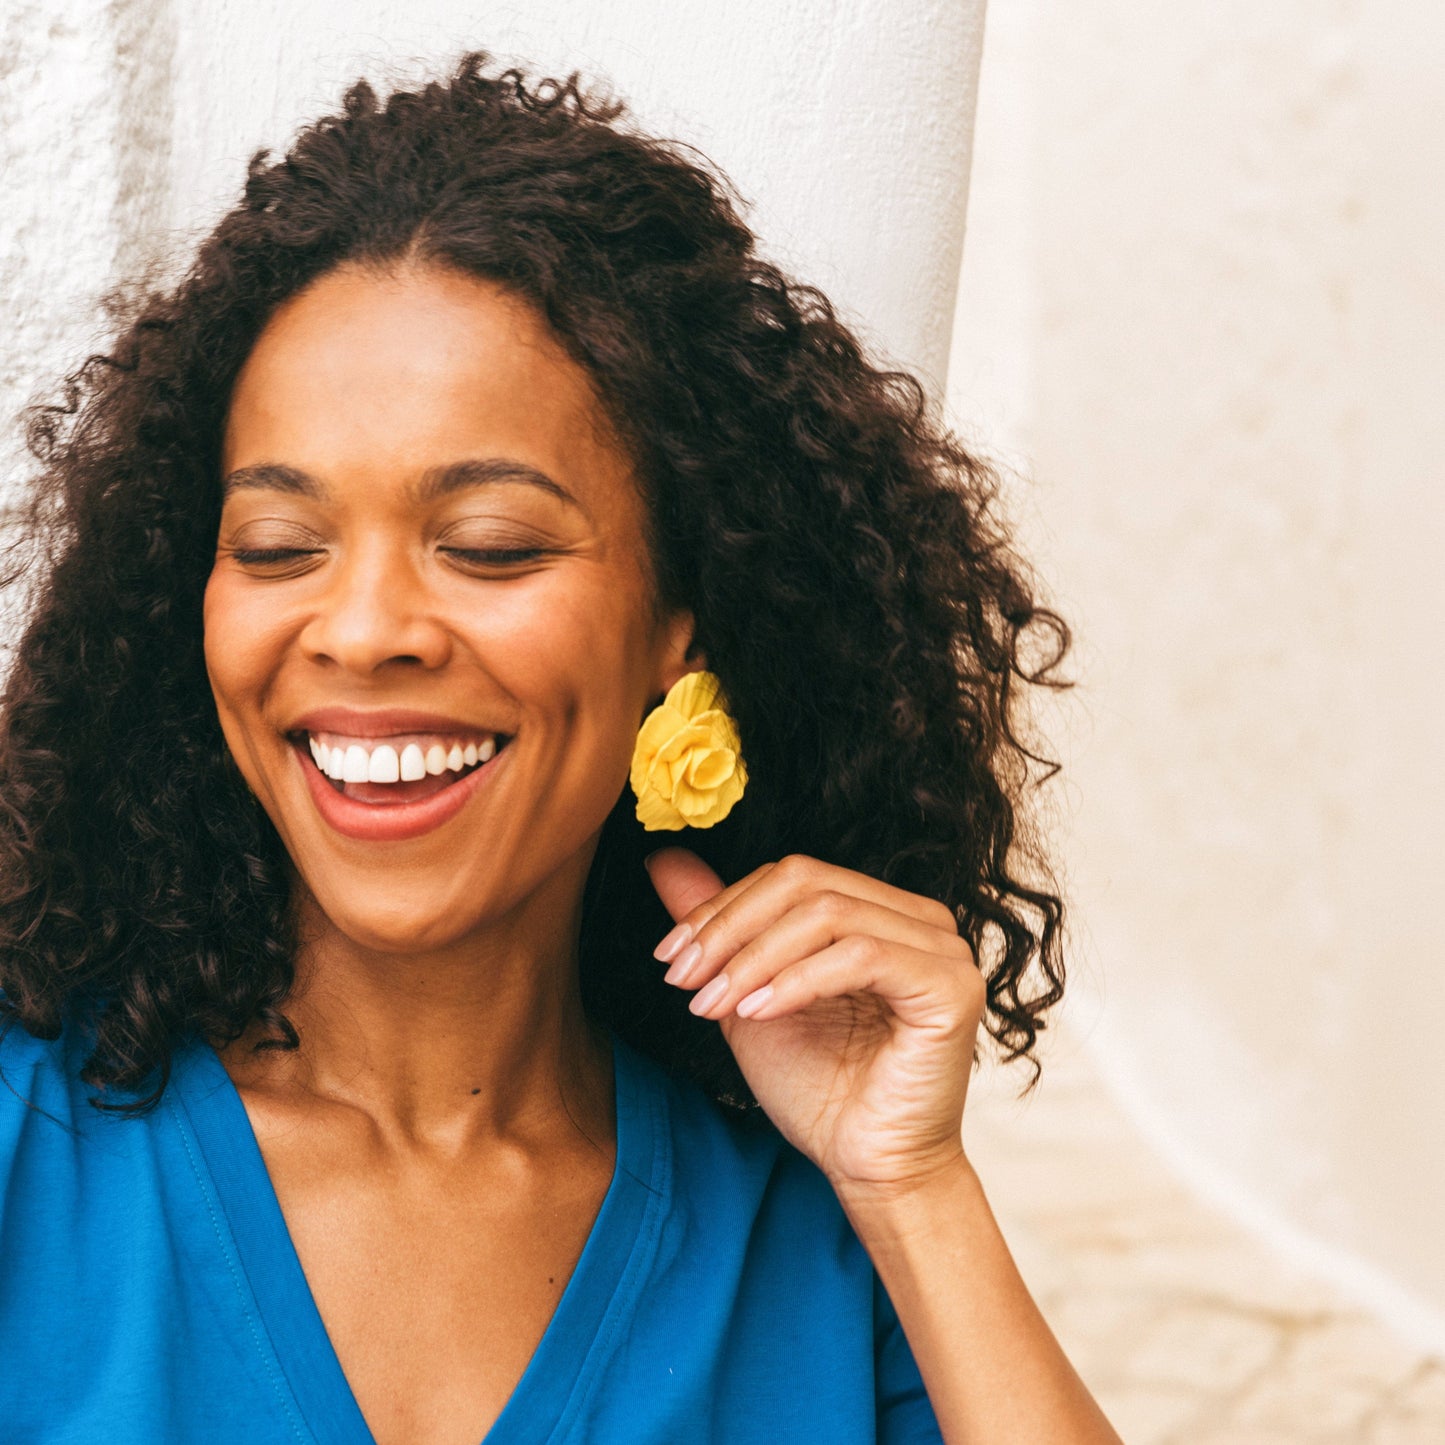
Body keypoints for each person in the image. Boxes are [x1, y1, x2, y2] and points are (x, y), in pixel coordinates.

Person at [0, 54, 1120, 1445]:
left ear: (678, 625)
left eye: (489, 546)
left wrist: (916, 1192)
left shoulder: (817, 1253)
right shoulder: (26, 1153)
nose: (362, 629)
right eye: (279, 546)